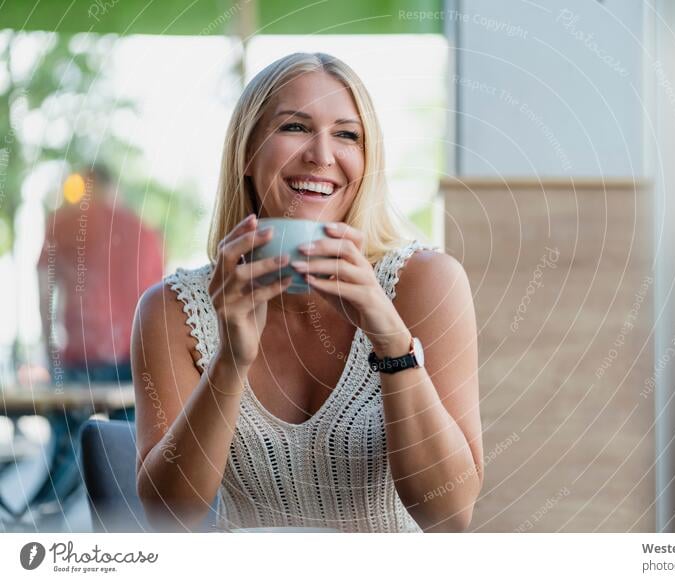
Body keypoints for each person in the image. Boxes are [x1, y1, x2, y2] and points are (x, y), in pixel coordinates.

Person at [132, 53, 483, 533]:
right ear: (247, 154)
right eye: (295, 127)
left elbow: (449, 516)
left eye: (347, 135)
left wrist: (391, 342)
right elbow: (169, 517)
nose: (322, 154)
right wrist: (231, 359)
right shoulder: (171, 309)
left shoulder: (425, 283)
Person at [38, 164, 164, 394]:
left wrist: (49, 346)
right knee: (127, 429)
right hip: (134, 359)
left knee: (70, 427)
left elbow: (44, 289)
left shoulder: (63, 224)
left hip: (79, 355)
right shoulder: (145, 232)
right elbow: (158, 300)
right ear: (114, 188)